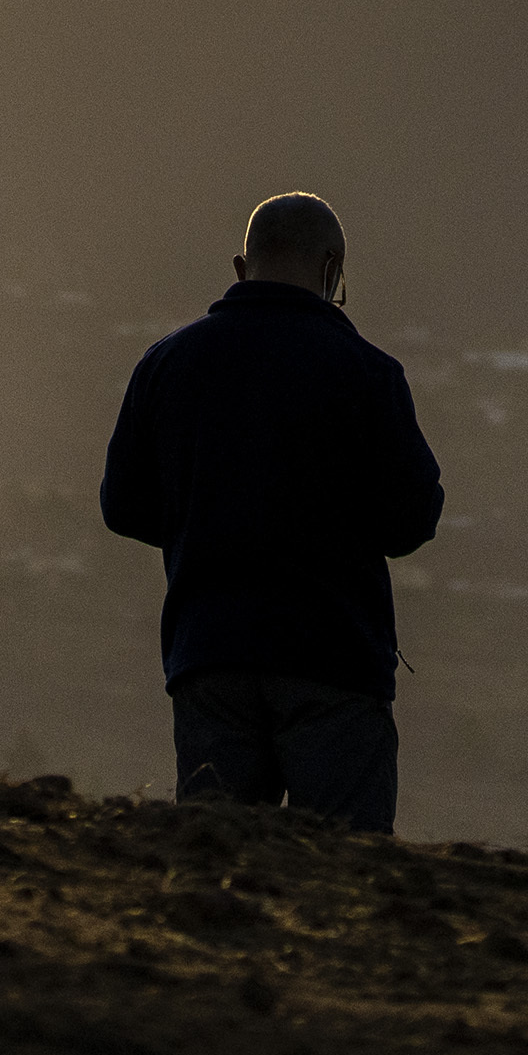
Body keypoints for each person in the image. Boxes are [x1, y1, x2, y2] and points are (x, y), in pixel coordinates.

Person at [96, 190, 446, 829]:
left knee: (215, 866)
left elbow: (122, 506)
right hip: (333, 660)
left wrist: (202, 527)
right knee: (346, 872)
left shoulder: (167, 364)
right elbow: (412, 522)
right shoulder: (369, 375)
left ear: (241, 267)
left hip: (210, 657)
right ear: (332, 269)